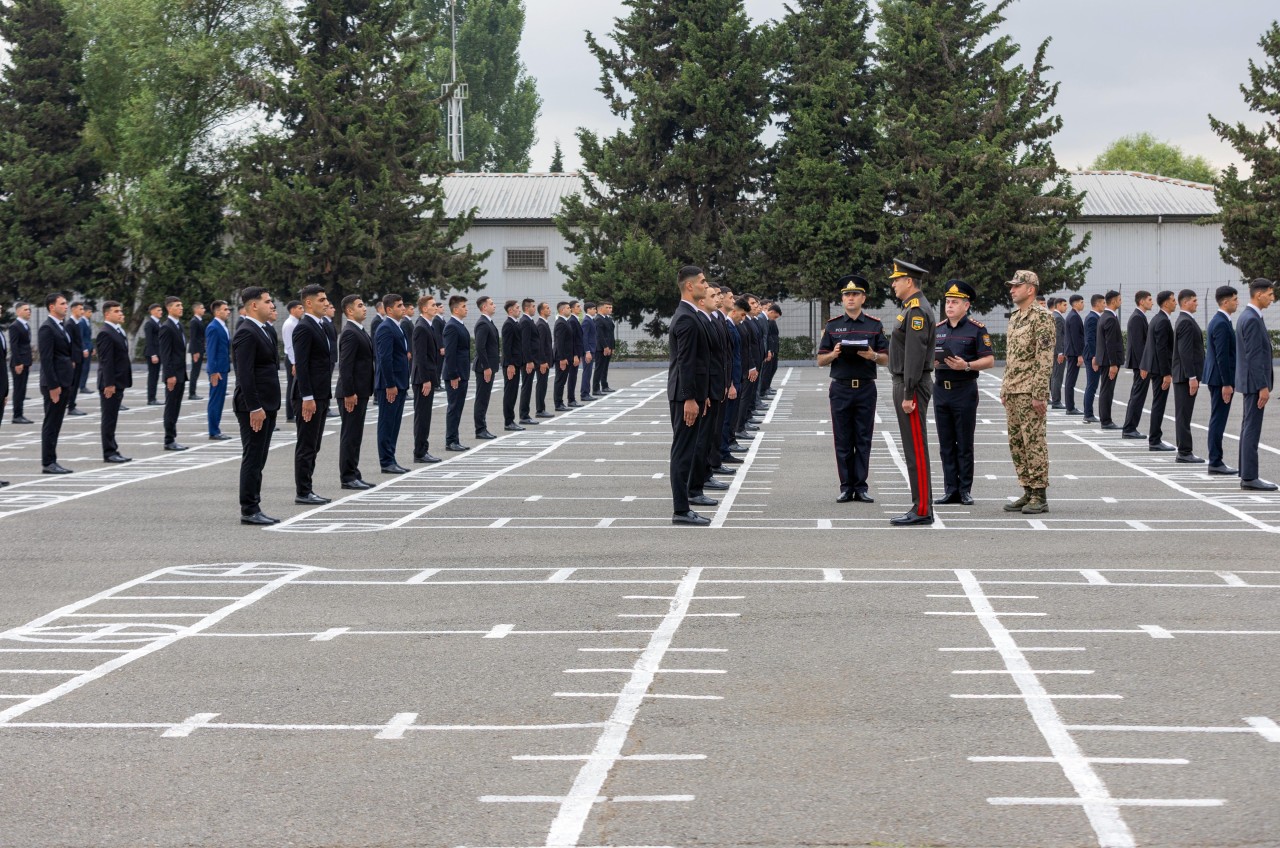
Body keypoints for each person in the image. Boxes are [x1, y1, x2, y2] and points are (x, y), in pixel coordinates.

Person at [816, 275, 888, 504]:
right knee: (843, 439)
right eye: (847, 295)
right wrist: (834, 353)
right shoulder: (833, 325)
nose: (850, 298)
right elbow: (820, 360)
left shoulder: (874, 325)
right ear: (842, 299)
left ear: (863, 298)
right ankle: (846, 487)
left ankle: (861, 486)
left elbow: (886, 359)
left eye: (855, 294)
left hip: (865, 388)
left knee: (863, 438)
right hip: (841, 388)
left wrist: (873, 355)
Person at [932, 280, 995, 506]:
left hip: (964, 390)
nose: (949, 306)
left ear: (966, 305)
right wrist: (933, 363)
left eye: (954, 302)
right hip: (941, 390)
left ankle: (965, 489)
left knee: (964, 442)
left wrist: (966, 365)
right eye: (948, 302)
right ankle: (950, 489)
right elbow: (928, 355)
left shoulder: (976, 329)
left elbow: (989, 360)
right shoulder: (938, 329)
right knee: (946, 443)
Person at [1000, 270, 1055, 514]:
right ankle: (1027, 489)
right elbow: (1011, 357)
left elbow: (1044, 358)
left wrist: (1039, 394)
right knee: (1017, 443)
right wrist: (1005, 387)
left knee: (1034, 442)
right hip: (1013, 389)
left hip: (1029, 391)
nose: (1012, 290)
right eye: (1011, 286)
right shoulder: (1015, 317)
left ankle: (1039, 494)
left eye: (1017, 286)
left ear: (1030, 289)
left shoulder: (1042, 317)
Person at [886, 259, 936, 526]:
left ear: (909, 281)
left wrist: (908, 393)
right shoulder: (909, 308)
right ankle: (920, 505)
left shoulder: (916, 311)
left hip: (911, 385)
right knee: (911, 448)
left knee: (916, 448)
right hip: (907, 383)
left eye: (896, 280)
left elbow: (915, 356)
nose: (893, 284)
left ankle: (923, 509)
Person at [667, 266, 712, 526]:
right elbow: (685, 362)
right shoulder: (686, 318)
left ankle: (683, 507)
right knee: (683, 452)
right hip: (684, 396)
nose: (706, 286)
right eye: (703, 282)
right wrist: (689, 398)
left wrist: (700, 395)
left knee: (687, 449)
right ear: (689, 286)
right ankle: (681, 510)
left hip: (691, 394)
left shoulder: (691, 314)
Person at [233, 287, 281, 525]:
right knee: (253, 457)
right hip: (254, 406)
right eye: (267, 301)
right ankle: (249, 509)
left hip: (267, 404)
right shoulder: (246, 332)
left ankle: (255, 504)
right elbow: (245, 374)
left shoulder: (265, 329)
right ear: (254, 305)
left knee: (259, 458)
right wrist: (254, 407)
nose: (272, 305)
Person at [291, 284, 333, 505]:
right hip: (309, 397)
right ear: (308, 303)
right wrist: (307, 397)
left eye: (326, 299)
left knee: (314, 444)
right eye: (321, 300)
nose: (326, 303)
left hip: (321, 394)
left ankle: (308, 488)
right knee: (307, 445)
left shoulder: (321, 325)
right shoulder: (304, 327)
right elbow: (302, 365)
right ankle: (303, 491)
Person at [689, 287, 728, 505]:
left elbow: (720, 357)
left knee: (707, 438)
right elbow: (693, 362)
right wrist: (698, 394)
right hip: (705, 390)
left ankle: (703, 478)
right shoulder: (699, 321)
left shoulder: (712, 320)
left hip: (713, 387)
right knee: (701, 440)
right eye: (713, 295)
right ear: (702, 301)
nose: (718, 298)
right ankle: (696, 487)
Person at [1236, 278, 1275, 491]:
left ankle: (1246, 472)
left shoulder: (1249, 316)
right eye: (1269, 294)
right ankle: (1250, 477)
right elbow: (1254, 356)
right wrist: (1262, 386)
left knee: (1248, 427)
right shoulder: (1251, 319)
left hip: (1250, 382)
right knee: (1252, 428)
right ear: (1258, 294)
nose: (1272, 298)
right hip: (1254, 384)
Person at [336, 294, 376, 488]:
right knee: (350, 435)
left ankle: (354, 472)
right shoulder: (350, 333)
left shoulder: (359, 330)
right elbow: (345, 365)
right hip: (352, 393)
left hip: (361, 391)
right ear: (349, 311)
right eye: (360, 305)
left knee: (356, 435)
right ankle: (348, 477)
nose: (365, 308)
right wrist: (349, 392)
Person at [38, 293, 76, 474]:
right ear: (51, 307)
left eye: (66, 303)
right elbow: (46, 359)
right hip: (54, 384)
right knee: (51, 423)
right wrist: (53, 386)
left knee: (56, 423)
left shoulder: (61, 326)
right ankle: (48, 462)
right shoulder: (47, 328)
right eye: (62, 303)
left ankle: (52, 459)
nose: (66, 306)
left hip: (64, 381)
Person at [1203, 285, 1239, 475]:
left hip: (1218, 379)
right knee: (1218, 419)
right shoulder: (1221, 323)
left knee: (1218, 418)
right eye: (1234, 299)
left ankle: (1216, 460)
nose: (1237, 302)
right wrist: (1227, 383)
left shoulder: (1222, 321)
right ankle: (1215, 461)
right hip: (1220, 380)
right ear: (1225, 301)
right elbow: (1222, 356)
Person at [374, 294, 411, 473]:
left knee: (394, 424)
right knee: (387, 423)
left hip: (400, 383)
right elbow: (385, 358)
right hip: (391, 385)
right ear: (389, 309)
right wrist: (390, 384)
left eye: (403, 305)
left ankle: (392, 458)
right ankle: (386, 461)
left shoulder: (397, 326)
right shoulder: (386, 328)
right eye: (399, 305)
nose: (403, 308)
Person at [96, 301, 132, 464]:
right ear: (107, 314)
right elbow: (106, 361)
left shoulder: (117, 331)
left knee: (112, 417)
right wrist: (109, 384)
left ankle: (113, 449)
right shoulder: (105, 333)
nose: (120, 314)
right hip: (110, 383)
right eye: (116, 311)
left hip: (119, 381)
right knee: (109, 418)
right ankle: (109, 452)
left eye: (121, 311)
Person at [1172, 289, 1205, 463]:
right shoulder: (1185, 321)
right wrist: (1191, 376)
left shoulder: (1185, 320)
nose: (1197, 303)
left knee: (1184, 414)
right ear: (1185, 303)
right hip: (1185, 377)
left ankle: (1184, 450)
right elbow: (1185, 352)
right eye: (1194, 300)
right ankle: (1184, 452)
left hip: (1184, 375)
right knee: (1184, 415)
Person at [1140, 290, 1176, 452]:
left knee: (1158, 403)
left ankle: (1155, 438)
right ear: (1166, 303)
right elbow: (1161, 349)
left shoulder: (1157, 319)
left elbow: (1150, 345)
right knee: (1159, 404)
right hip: (1160, 370)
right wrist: (1166, 373)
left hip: (1155, 367)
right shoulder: (1162, 321)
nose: (1175, 303)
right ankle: (1155, 440)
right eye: (1173, 300)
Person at [411, 295, 442, 463]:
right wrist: (425, 380)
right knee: (422, 416)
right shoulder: (421, 327)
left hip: (427, 377)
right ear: (424, 308)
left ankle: (423, 449)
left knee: (426, 415)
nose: (436, 307)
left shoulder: (428, 325)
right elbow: (420, 356)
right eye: (432, 305)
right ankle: (420, 452)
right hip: (423, 379)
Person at [157, 296, 189, 450]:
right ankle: (169, 440)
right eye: (177, 305)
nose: (181, 308)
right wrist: (169, 375)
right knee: (171, 407)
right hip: (173, 375)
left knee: (176, 406)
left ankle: (173, 437)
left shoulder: (178, 326)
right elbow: (165, 354)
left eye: (181, 305)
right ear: (169, 308)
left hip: (180, 373)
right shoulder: (166, 327)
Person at [1121, 291, 1154, 438]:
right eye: (1149, 299)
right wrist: (1143, 365)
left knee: (1138, 395)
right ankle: (1129, 428)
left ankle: (1130, 427)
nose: (1152, 302)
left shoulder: (1140, 316)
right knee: (1137, 396)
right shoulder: (1137, 318)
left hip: (1141, 364)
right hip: (1140, 365)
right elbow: (1138, 345)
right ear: (1141, 301)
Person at [443, 295, 472, 451]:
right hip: (456, 375)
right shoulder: (451, 327)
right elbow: (450, 353)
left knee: (458, 408)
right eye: (463, 307)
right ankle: (451, 441)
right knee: (454, 408)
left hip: (462, 373)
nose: (466, 309)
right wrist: (453, 375)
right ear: (455, 309)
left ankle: (455, 439)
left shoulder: (459, 325)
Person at [1095, 291, 1124, 431]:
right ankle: (1106, 421)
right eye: (1119, 299)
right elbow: (1110, 343)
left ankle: (1105, 419)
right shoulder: (1110, 318)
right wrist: (1113, 363)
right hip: (1109, 361)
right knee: (1107, 391)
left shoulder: (1104, 316)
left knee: (1106, 390)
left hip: (1105, 359)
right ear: (1113, 301)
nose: (1121, 302)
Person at [472, 295, 498, 440]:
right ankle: (480, 429)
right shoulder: (483, 323)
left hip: (489, 367)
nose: (494, 305)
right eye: (491, 303)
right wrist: (486, 367)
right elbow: (480, 347)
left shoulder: (488, 322)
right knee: (481, 399)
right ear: (484, 307)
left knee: (485, 398)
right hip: (484, 368)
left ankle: (483, 428)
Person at [205, 300, 232, 440]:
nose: (228, 312)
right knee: (215, 400)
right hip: (217, 371)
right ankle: (213, 431)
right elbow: (211, 351)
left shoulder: (222, 326)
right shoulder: (213, 327)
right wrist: (213, 372)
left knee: (220, 400)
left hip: (223, 368)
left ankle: (216, 429)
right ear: (217, 312)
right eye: (225, 309)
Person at [500, 300, 525, 431]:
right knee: (510, 393)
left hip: (516, 363)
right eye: (517, 308)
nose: (519, 310)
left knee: (513, 392)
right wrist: (509, 364)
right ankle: (508, 421)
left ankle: (511, 420)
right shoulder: (508, 324)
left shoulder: (515, 323)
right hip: (511, 364)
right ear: (510, 310)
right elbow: (506, 346)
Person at [1081, 294, 1104, 423]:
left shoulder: (1095, 317)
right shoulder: (1092, 318)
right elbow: (1090, 339)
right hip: (1092, 356)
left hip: (1093, 356)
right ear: (1097, 303)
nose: (1104, 305)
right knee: (1092, 385)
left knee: (1092, 385)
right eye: (1103, 303)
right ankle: (1088, 414)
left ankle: (1088, 413)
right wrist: (1095, 357)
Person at [9, 302, 33, 424]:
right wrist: (18, 363)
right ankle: (17, 415)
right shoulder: (15, 326)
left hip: (25, 361)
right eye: (25, 310)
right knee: (18, 389)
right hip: (19, 363)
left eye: (29, 309)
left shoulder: (26, 325)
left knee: (22, 389)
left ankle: (20, 414)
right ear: (18, 312)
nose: (29, 311)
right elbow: (14, 345)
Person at [280, 300, 304, 423]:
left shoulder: (296, 322)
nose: (302, 310)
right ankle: (290, 415)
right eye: (300, 308)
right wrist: (294, 362)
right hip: (291, 359)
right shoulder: (290, 324)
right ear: (292, 310)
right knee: (292, 386)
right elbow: (289, 345)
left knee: (295, 385)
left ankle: (293, 413)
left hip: (295, 358)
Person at [1062, 294, 1085, 414]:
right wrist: (1080, 355)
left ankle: (1070, 407)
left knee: (1070, 380)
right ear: (1075, 303)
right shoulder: (1074, 317)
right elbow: (1076, 338)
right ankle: (1070, 408)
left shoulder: (1072, 315)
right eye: (1081, 302)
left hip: (1071, 352)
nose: (1083, 304)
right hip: (1074, 353)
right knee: (1070, 381)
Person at [518, 298, 540, 424]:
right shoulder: (525, 321)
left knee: (528, 386)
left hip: (532, 359)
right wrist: (529, 361)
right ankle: (524, 415)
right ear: (527, 308)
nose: (534, 308)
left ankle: (525, 414)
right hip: (528, 361)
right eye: (533, 306)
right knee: (526, 387)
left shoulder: (529, 320)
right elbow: (525, 343)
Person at [553, 301, 576, 411]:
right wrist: (562, 358)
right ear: (562, 310)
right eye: (568, 308)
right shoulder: (561, 323)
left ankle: (560, 403)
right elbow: (559, 342)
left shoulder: (565, 321)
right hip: (562, 358)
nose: (570, 309)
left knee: (562, 381)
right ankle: (558, 404)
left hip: (566, 357)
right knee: (560, 381)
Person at [535, 302, 554, 417]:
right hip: (543, 362)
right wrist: (542, 361)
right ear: (542, 311)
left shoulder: (544, 323)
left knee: (543, 384)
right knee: (541, 385)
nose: (549, 309)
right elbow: (540, 345)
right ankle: (540, 410)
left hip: (546, 360)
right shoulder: (541, 325)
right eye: (547, 308)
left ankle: (541, 408)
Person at [593, 300, 616, 395]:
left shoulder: (608, 318)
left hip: (609, 347)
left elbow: (611, 334)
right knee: (599, 368)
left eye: (611, 307)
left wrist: (612, 347)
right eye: (607, 307)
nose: (610, 309)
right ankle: (595, 389)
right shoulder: (598, 319)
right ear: (601, 308)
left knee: (605, 368)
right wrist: (605, 347)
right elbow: (599, 335)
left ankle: (604, 386)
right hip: (601, 348)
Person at [143, 302, 163, 405]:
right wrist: (153, 354)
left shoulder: (159, 323)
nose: (161, 312)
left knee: (155, 376)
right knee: (153, 376)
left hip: (159, 352)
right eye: (158, 310)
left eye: (161, 310)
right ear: (152, 312)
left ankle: (153, 397)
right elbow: (149, 341)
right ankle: (151, 399)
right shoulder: (149, 324)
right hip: (153, 353)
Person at [760, 303, 781, 397]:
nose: (775, 319)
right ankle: (763, 390)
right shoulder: (763, 319)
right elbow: (766, 336)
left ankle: (766, 388)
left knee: (771, 369)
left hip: (772, 348)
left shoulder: (769, 320)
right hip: (768, 349)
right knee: (766, 371)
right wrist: (769, 350)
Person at [1049, 298, 1066, 409]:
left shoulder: (1053, 316)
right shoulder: (1058, 318)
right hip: (1058, 352)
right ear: (1058, 305)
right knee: (1057, 376)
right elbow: (1057, 336)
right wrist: (1060, 352)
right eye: (1064, 305)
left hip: (1054, 351)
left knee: (1054, 376)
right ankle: (1056, 401)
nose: (1066, 307)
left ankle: (1055, 400)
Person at [579, 302, 598, 401]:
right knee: (587, 372)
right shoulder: (586, 321)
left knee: (589, 372)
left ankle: (586, 393)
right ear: (588, 310)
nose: (595, 310)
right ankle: (584, 394)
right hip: (589, 350)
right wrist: (587, 351)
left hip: (591, 349)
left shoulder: (591, 320)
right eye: (593, 309)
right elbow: (584, 337)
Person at [188, 302, 206, 400]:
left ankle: (193, 392)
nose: (204, 310)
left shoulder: (199, 320)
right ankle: (192, 393)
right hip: (196, 350)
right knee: (194, 372)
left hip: (199, 349)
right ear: (196, 309)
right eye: (202, 308)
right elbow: (193, 337)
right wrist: (195, 352)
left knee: (196, 371)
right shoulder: (194, 321)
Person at [77, 303, 94, 394]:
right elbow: (81, 337)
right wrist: (84, 349)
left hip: (89, 347)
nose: (91, 314)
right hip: (85, 349)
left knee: (86, 368)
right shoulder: (82, 322)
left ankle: (82, 385)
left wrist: (92, 347)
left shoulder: (87, 322)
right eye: (89, 312)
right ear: (84, 312)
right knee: (84, 368)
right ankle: (82, 386)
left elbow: (88, 337)